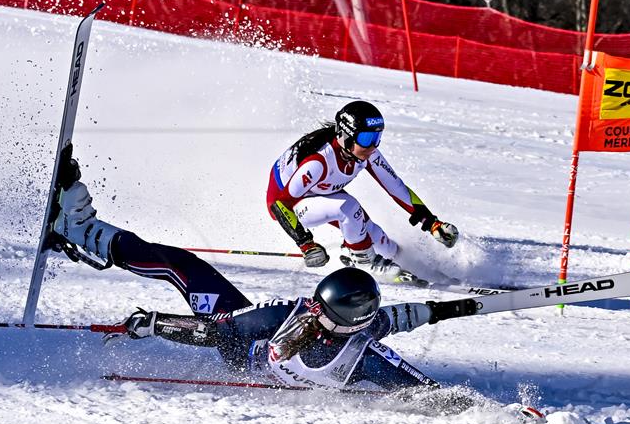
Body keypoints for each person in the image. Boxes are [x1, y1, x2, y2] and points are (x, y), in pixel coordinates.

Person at [50, 153, 451, 391]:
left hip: (237, 348)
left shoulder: (331, 338)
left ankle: (82, 231)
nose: (310, 307)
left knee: (179, 266)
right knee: (182, 265)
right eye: (314, 302)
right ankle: (87, 232)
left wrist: (155, 324)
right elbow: (415, 377)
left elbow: (217, 333)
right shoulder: (354, 337)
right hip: (245, 337)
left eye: (318, 307)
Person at [266, 100, 460, 277]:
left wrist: (432, 222)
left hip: (320, 191)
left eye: (377, 137)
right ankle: (364, 262)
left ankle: (411, 266)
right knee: (348, 207)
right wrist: (306, 244)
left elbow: (395, 186)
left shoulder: (366, 153)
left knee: (377, 236)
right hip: (290, 206)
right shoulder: (318, 162)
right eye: (367, 138)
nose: (372, 146)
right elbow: (279, 204)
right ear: (345, 137)